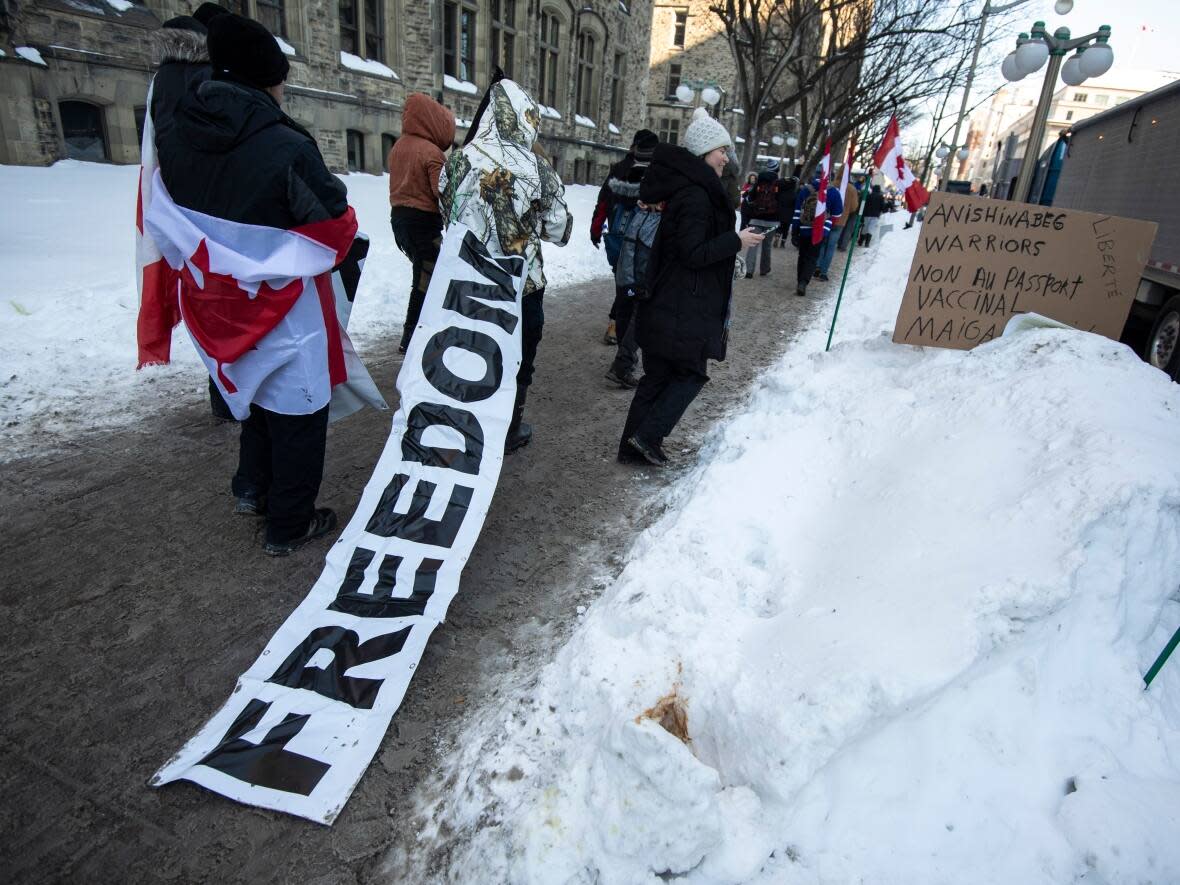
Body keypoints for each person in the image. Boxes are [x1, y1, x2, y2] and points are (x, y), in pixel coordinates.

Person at [151, 13, 357, 556]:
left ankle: (252, 488)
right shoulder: (284, 145)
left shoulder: (175, 133)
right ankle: (289, 522)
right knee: (300, 414)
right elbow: (334, 226)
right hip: (279, 307)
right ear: (267, 77)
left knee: (257, 395)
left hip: (213, 302)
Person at [618, 107, 764, 467]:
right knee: (690, 374)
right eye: (721, 150)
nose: (726, 157)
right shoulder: (697, 196)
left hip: (674, 300)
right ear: (704, 152)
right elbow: (693, 253)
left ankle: (632, 446)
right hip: (683, 303)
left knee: (658, 376)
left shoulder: (691, 189)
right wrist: (736, 241)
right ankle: (646, 437)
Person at [439, 78, 571, 452]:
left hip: (467, 277)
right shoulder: (537, 168)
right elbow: (559, 229)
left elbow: (445, 211)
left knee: (467, 347)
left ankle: (460, 423)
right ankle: (508, 428)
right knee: (517, 357)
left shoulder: (458, 160)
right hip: (519, 284)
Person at [387, 93, 455, 354]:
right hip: (424, 224)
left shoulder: (399, 147)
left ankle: (422, 331)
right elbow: (443, 193)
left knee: (426, 275)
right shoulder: (431, 152)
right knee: (426, 280)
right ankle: (412, 336)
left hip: (400, 222)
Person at [590, 128, 658, 388]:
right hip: (641, 245)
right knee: (637, 299)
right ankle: (624, 360)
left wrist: (597, 229)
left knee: (625, 293)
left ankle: (619, 339)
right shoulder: (657, 175)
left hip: (618, 240)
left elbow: (604, 202)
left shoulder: (620, 169)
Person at [790, 170, 843, 297]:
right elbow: (837, 213)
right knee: (812, 257)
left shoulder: (806, 190)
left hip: (804, 227)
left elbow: (797, 210)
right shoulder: (833, 192)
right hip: (821, 230)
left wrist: (795, 229)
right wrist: (828, 225)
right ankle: (804, 282)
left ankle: (799, 281)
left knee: (802, 255)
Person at [815, 171, 859, 281]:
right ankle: (823, 272)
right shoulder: (852, 189)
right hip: (840, 221)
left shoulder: (832, 185)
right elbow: (854, 207)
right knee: (831, 247)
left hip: (827, 218)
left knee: (823, 243)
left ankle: (817, 265)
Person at [742, 162, 782, 278]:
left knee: (753, 244)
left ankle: (749, 271)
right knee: (767, 245)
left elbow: (750, 198)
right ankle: (764, 269)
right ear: (777, 170)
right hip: (772, 221)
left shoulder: (758, 182)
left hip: (756, 219)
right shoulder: (778, 184)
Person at [775, 171, 798, 248]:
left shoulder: (781, 193)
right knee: (786, 228)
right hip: (789, 213)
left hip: (780, 212)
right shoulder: (794, 194)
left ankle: (777, 235)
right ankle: (783, 242)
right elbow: (795, 205)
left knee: (780, 226)